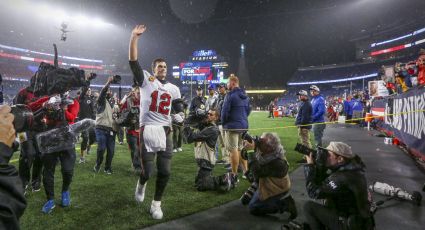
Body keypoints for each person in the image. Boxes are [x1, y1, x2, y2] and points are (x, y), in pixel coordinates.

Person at [129, 24, 181, 220]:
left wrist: (179, 115)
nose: (163, 69)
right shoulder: (146, 80)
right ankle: (142, 183)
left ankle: (156, 204)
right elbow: (133, 61)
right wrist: (134, 37)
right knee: (148, 171)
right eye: (160, 66)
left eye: (165, 66)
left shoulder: (174, 88)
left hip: (165, 131)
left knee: (165, 171)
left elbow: (177, 106)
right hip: (148, 129)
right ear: (153, 69)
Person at [28, 93, 80, 214]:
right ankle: (50, 199)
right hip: (49, 139)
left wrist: (59, 108)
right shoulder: (48, 98)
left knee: (67, 170)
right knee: (48, 171)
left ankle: (65, 191)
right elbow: (31, 106)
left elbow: (72, 117)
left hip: (66, 140)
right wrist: (44, 104)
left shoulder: (73, 101)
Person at [303, 142, 374, 230]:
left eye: (328, 155)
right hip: (360, 220)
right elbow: (325, 182)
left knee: (308, 207)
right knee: (328, 202)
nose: (325, 157)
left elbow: (313, 193)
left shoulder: (342, 177)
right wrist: (319, 165)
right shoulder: (353, 169)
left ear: (340, 159)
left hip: (350, 224)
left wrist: (309, 167)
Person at [242, 132, 297, 218]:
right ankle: (255, 190)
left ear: (269, 148)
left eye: (261, 142)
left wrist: (250, 151)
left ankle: (285, 204)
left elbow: (257, 173)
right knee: (246, 200)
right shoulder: (265, 152)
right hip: (266, 181)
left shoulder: (279, 163)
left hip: (278, 188)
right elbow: (246, 157)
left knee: (253, 208)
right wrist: (248, 149)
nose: (258, 142)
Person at [183, 109, 234, 191]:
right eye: (208, 114)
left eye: (211, 115)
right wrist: (194, 116)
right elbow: (196, 123)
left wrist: (186, 124)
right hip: (202, 162)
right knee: (198, 183)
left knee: (202, 186)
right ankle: (214, 179)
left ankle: (227, 178)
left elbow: (190, 138)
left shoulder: (212, 129)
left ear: (216, 118)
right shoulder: (206, 126)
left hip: (206, 162)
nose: (208, 115)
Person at [0, 105, 27, 229]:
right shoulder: (23, 95)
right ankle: (26, 182)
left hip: (29, 132)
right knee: (26, 156)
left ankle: (34, 181)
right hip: (22, 133)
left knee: (32, 157)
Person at [14, 84, 43, 193]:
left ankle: (36, 181)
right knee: (27, 154)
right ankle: (23, 181)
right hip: (23, 130)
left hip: (40, 129)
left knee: (40, 155)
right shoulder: (23, 92)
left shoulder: (45, 93)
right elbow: (16, 109)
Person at [221, 74, 250, 182]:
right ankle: (246, 172)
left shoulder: (230, 95)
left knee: (233, 150)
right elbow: (248, 110)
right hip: (243, 126)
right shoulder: (245, 95)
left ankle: (234, 175)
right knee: (240, 149)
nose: (227, 85)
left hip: (232, 126)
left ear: (232, 83)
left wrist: (224, 124)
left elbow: (224, 112)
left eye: (228, 82)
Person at [93, 77, 119, 174]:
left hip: (111, 130)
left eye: (110, 91)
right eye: (107, 91)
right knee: (101, 148)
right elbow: (103, 91)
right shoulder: (101, 100)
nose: (109, 92)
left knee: (111, 151)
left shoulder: (112, 103)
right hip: (100, 128)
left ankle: (107, 167)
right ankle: (98, 164)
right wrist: (108, 82)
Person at [118, 86, 142, 173]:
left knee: (140, 149)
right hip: (131, 129)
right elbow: (122, 112)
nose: (140, 95)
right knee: (134, 148)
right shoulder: (128, 101)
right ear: (134, 93)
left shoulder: (145, 101)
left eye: (141, 93)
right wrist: (129, 118)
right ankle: (136, 167)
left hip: (142, 129)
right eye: (138, 93)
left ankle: (137, 163)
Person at [78, 86, 96, 163]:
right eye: (88, 90)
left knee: (93, 137)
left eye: (90, 90)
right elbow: (82, 92)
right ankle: (82, 157)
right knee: (85, 138)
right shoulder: (81, 98)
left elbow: (93, 111)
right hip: (83, 122)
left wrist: (95, 120)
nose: (89, 91)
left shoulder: (92, 99)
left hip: (91, 121)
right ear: (84, 91)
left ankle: (89, 146)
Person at [295, 90, 312, 164]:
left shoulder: (306, 104)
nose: (299, 96)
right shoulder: (305, 103)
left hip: (304, 126)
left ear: (305, 96)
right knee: (305, 142)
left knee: (305, 143)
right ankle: (307, 157)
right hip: (303, 126)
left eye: (300, 95)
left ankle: (308, 158)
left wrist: (300, 125)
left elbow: (305, 117)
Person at [216, 83, 229, 165]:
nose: (219, 89)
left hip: (224, 123)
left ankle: (228, 159)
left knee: (226, 142)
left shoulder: (228, 97)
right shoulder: (219, 97)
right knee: (221, 142)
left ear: (225, 88)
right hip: (218, 122)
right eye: (219, 87)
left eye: (221, 87)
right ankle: (224, 158)